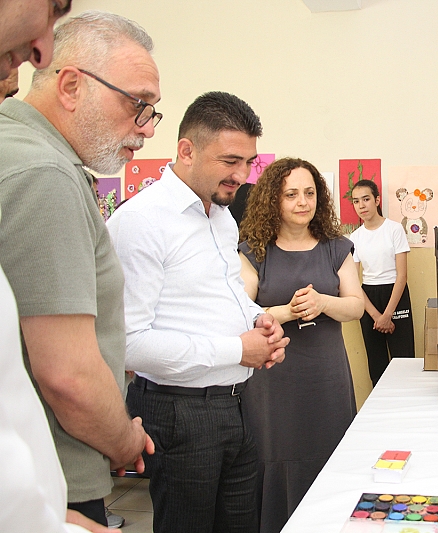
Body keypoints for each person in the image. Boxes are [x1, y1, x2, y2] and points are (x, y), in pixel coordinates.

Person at [0, 10, 159, 527]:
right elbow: (68, 376)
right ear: (71, 86)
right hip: (49, 483)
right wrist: (124, 439)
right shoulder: (43, 174)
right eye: (137, 105)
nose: (145, 129)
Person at [107, 92, 288, 533]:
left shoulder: (221, 216)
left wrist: (257, 320)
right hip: (178, 412)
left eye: (248, 162)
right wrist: (237, 350)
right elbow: (129, 343)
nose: (242, 175)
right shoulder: (142, 221)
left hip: (235, 404)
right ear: (186, 151)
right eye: (230, 161)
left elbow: (224, 291)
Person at [239, 157, 364, 533]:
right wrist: (289, 311)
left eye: (309, 193)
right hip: (274, 380)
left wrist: (323, 303)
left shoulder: (336, 248)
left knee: (329, 451)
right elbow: (241, 313)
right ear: (273, 200)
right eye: (291, 194)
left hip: (326, 376)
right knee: (277, 454)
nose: (302, 202)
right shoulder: (254, 251)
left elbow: (355, 306)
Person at [349, 179, 415, 386]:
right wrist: (377, 316)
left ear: (377, 200)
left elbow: (402, 276)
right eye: (356, 201)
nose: (361, 205)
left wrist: (387, 315)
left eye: (366, 199)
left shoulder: (394, 229)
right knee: (376, 363)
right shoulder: (355, 237)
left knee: (404, 360)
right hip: (368, 299)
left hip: (395, 295)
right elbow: (353, 281)